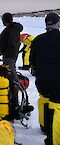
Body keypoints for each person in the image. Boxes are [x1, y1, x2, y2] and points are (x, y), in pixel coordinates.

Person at [30, 12, 60, 145]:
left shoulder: (37, 40)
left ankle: (44, 126)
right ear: (58, 23)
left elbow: (32, 62)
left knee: (44, 100)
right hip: (58, 82)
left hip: (42, 80)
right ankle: (54, 139)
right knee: (57, 108)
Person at [0, 13, 23, 81]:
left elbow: (11, 43)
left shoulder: (12, 30)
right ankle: (9, 84)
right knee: (8, 70)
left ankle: (16, 85)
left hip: (10, 54)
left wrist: (5, 51)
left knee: (11, 70)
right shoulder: (10, 28)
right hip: (8, 53)